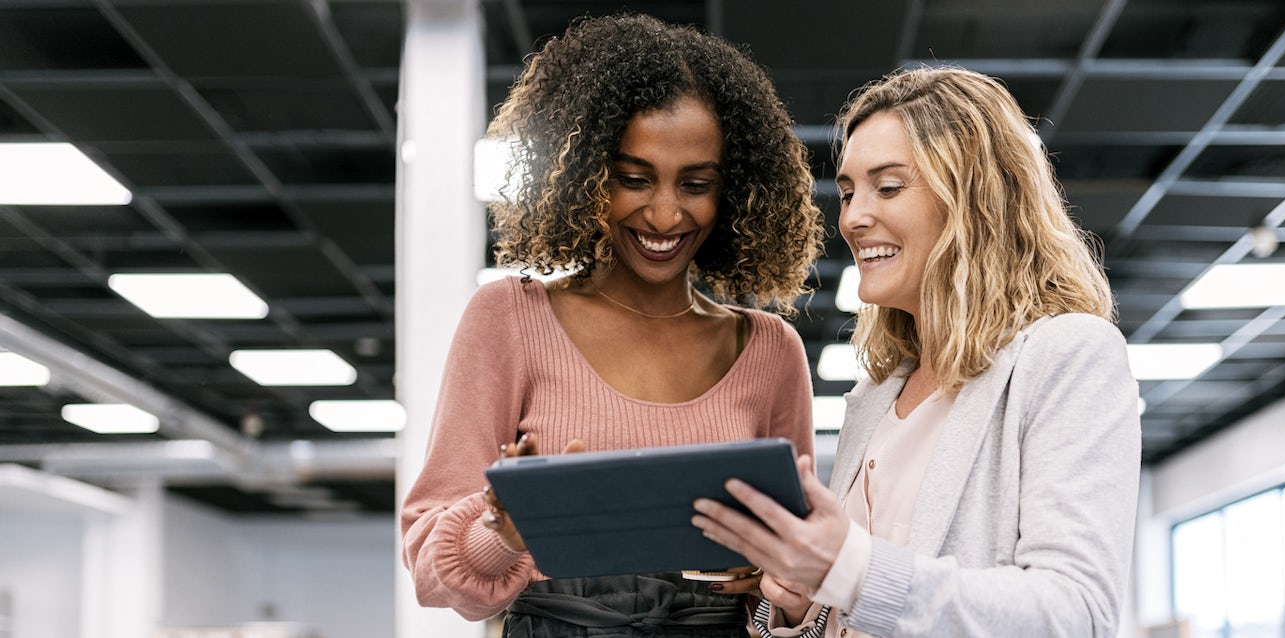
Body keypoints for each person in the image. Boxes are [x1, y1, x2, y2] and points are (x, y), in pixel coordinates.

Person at [400, 13, 823, 637]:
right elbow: (431, 572)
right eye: (634, 178)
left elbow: (795, 583)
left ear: (733, 192)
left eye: (697, 184)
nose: (664, 213)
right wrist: (504, 527)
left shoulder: (768, 350)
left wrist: (774, 585)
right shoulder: (508, 321)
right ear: (586, 175)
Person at [691, 66, 1142, 637]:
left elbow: (1076, 613)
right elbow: (859, 607)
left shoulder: (1068, 356)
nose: (852, 217)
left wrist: (847, 567)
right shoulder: (874, 399)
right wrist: (799, 602)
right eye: (849, 191)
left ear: (973, 196)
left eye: (888, 186)